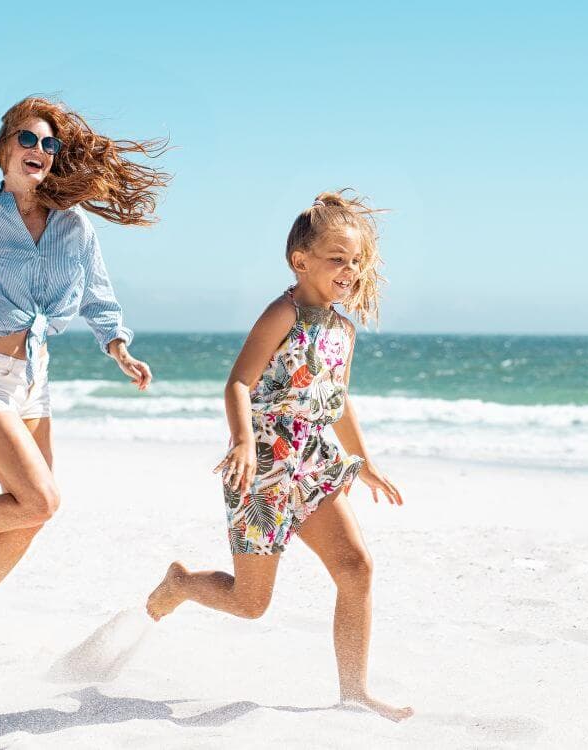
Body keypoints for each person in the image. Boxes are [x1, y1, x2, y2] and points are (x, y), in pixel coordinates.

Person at [144, 191, 413, 721]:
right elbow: (239, 383)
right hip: (263, 466)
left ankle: (355, 691)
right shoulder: (282, 312)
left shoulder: (343, 329)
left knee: (356, 568)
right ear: (301, 261)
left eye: (355, 261)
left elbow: (336, 403)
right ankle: (181, 584)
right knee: (251, 604)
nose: (349, 270)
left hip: (313, 461)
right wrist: (243, 441)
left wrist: (367, 460)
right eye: (337, 258)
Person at [0, 96, 166, 637]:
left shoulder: (72, 225)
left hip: (35, 377)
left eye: (48, 144)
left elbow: (99, 295)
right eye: (27, 139)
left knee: (34, 512)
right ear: (5, 147)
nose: (38, 150)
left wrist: (118, 347)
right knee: (39, 497)